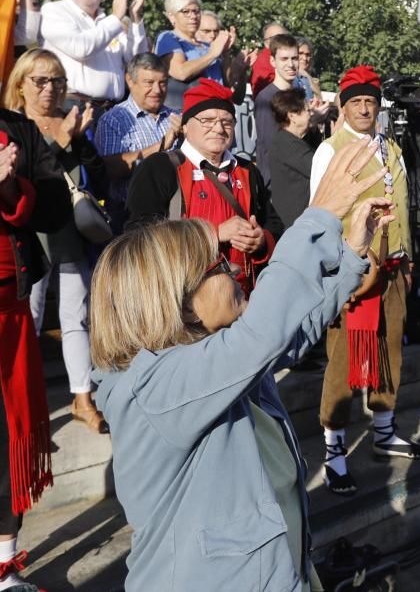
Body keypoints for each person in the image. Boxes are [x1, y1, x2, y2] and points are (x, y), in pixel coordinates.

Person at [91, 134, 394, 591]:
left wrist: (351, 250)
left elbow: (287, 336)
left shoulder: (214, 356)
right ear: (181, 302)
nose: (232, 269)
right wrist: (319, 216)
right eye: (216, 267)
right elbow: (263, 334)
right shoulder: (153, 386)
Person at [309, 64, 420, 495]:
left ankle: (383, 430)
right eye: (356, 102)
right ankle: (334, 449)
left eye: (370, 102)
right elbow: (319, 215)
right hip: (352, 271)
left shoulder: (390, 147)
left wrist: (409, 259)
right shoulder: (330, 150)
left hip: (393, 265)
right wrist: (335, 272)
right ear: (342, 107)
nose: (364, 108)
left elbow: (406, 202)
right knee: (344, 358)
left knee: (388, 351)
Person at [2, 48, 110, 435]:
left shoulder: (70, 120)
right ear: (21, 83)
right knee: (27, 317)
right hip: (27, 235)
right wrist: (61, 141)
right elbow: (27, 180)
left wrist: (76, 139)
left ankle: (83, 397)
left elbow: (97, 173)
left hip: (66, 231)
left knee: (75, 315)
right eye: (41, 80)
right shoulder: (12, 125)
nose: (50, 89)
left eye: (58, 81)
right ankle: (24, 405)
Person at [0, 105, 72, 590]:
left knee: (11, 431)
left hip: (9, 301)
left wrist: (9, 189)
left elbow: (52, 209)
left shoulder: (16, 127)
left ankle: (6, 564)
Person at [126, 78, 280, 295]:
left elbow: (272, 223)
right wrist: (213, 234)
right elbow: (138, 236)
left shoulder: (247, 170)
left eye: (227, 122)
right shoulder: (160, 167)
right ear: (186, 126)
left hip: (241, 302)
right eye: (207, 120)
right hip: (183, 300)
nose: (218, 128)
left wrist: (261, 240)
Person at [39, 0, 147, 113]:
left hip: (113, 109)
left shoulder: (107, 22)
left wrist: (135, 19)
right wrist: (116, 18)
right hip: (73, 107)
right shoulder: (54, 11)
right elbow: (81, 48)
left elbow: (137, 62)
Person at [94, 53, 181, 232]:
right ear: (130, 81)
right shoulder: (113, 120)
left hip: (176, 214)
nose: (157, 90)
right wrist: (162, 146)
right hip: (132, 217)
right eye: (149, 83)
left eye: (162, 82)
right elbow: (112, 170)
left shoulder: (177, 117)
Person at [155, 0, 238, 110]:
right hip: (188, 113)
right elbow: (180, 72)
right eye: (185, 11)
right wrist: (212, 54)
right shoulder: (169, 38)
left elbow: (226, 83)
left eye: (196, 11)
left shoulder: (206, 46)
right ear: (172, 16)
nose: (193, 16)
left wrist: (225, 52)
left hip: (217, 109)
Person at [253, 33, 301, 185]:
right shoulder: (266, 98)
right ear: (273, 61)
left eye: (294, 58)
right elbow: (271, 144)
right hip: (275, 183)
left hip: (296, 178)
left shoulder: (298, 94)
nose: (291, 64)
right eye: (284, 59)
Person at [268, 88, 317, 228]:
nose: (311, 114)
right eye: (307, 110)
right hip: (292, 226)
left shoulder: (291, 140)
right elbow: (319, 168)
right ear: (293, 116)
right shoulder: (285, 143)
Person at [250, 21, 289, 98]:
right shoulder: (264, 59)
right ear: (266, 43)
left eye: (282, 37)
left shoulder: (287, 57)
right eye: (274, 38)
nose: (279, 41)